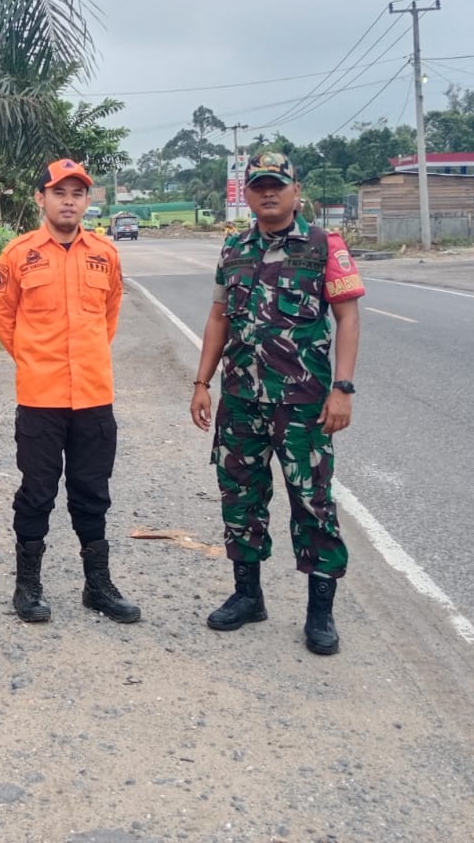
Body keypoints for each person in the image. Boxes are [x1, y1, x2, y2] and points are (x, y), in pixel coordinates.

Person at [188, 151, 362, 655]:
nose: (268, 193)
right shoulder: (233, 248)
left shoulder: (324, 245)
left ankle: (320, 613)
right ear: (247, 194)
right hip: (241, 400)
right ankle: (248, 596)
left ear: (295, 191)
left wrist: (342, 388)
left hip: (304, 404)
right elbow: (219, 317)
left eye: (277, 185)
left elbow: (348, 319)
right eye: (259, 185)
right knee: (240, 497)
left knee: (312, 503)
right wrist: (202, 383)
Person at [0, 158, 139, 625]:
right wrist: (36, 360)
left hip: (93, 395)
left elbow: (109, 315)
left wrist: (84, 359)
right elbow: (4, 318)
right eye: (59, 192)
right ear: (41, 198)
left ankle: (98, 586)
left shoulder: (106, 254)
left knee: (92, 491)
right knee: (36, 492)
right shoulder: (18, 255)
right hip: (40, 397)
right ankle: (28, 585)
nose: (68, 201)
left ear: (87, 201)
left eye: (77, 193)